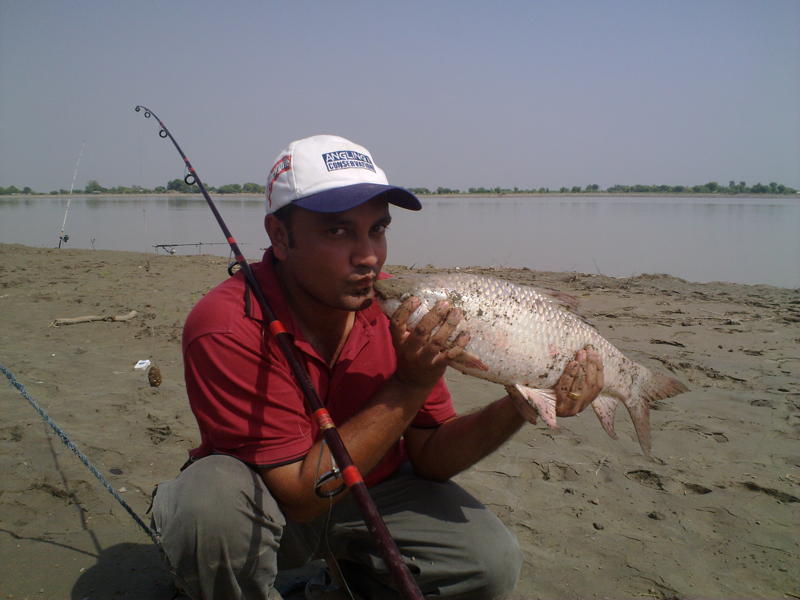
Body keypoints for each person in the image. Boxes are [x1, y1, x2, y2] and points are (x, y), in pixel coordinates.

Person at [150, 134, 603, 600]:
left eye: (378, 229)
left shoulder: (400, 306)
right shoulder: (225, 326)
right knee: (209, 505)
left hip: (373, 491)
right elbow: (301, 497)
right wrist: (410, 384)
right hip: (272, 509)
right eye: (338, 231)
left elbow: (431, 457)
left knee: (490, 562)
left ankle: (347, 582)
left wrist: (519, 405)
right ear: (280, 237)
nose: (368, 256)